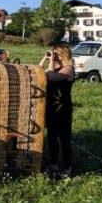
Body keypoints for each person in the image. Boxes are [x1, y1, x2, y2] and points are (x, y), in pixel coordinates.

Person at [38, 44, 75, 176]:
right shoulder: (56, 67)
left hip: (63, 110)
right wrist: (45, 59)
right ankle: (53, 165)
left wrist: (52, 61)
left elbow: (50, 76)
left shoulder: (69, 69)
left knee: (64, 139)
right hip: (52, 109)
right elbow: (39, 73)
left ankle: (67, 168)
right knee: (52, 138)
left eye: (56, 54)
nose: (54, 57)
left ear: (63, 55)